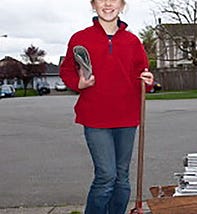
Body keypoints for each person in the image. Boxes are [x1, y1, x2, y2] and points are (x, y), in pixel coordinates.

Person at [59, 0, 154, 213]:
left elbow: (142, 75)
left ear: (122, 5)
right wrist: (79, 83)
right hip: (95, 118)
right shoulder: (80, 39)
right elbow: (67, 70)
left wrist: (147, 81)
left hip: (127, 117)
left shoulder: (132, 41)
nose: (108, 3)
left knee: (122, 177)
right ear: (93, 5)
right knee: (106, 176)